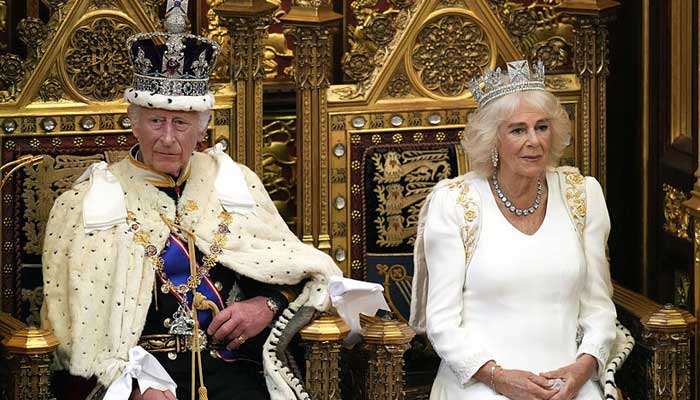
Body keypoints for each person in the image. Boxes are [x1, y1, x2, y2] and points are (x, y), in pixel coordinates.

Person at [40, 1, 340, 400]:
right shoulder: (85, 202)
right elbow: (70, 332)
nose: (168, 138)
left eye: (181, 122)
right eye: (156, 120)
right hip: (142, 381)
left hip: (235, 371)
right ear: (133, 122)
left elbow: (299, 272)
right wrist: (130, 385)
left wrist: (266, 306)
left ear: (202, 128)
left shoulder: (234, 183)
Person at [409, 60, 617, 400]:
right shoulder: (456, 203)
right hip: (480, 383)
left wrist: (582, 370)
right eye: (518, 130)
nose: (533, 141)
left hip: (568, 384)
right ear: (493, 139)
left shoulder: (582, 194)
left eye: (542, 127)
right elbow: (442, 323)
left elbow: (599, 308)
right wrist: (499, 378)